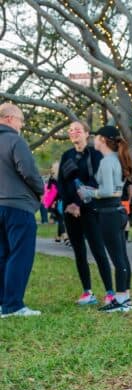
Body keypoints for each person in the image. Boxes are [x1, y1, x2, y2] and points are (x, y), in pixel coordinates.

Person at [76, 125, 132, 312]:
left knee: (117, 258)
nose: (93, 140)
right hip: (116, 211)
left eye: (95, 137)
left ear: (102, 139)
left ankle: (120, 299)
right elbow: (115, 189)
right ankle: (125, 296)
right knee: (122, 256)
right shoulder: (116, 159)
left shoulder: (108, 161)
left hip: (109, 213)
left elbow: (108, 191)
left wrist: (90, 192)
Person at [58, 119, 115, 305]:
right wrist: (68, 205)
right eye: (70, 130)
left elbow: (94, 181)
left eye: (77, 129)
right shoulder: (66, 155)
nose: (73, 132)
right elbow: (62, 183)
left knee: (98, 250)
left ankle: (109, 292)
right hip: (70, 212)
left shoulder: (96, 155)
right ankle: (87, 292)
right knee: (79, 252)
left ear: (86, 133)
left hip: (91, 209)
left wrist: (77, 203)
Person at [0, 103, 44, 318]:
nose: (21, 125)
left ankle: (2, 303)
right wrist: (41, 189)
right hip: (18, 206)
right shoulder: (15, 140)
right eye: (20, 120)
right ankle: (14, 305)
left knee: (2, 255)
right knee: (20, 255)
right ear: (9, 119)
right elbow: (28, 170)